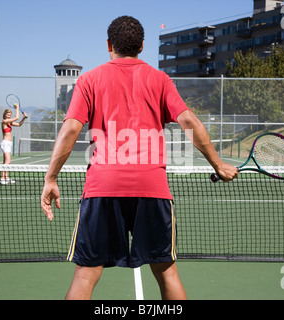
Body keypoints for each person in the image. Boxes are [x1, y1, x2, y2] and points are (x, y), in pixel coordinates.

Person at [40, 16, 238, 300]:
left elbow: (71, 127)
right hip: (152, 188)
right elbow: (190, 123)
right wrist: (218, 164)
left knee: (86, 273)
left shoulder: (89, 80)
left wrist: (51, 178)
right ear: (142, 46)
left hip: (102, 188)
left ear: (109, 45)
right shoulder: (160, 79)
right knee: (167, 272)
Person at [0, 105, 27, 184]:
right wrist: (17, 108)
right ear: (5, 114)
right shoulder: (4, 121)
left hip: (9, 144)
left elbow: (19, 124)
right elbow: (16, 118)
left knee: (6, 162)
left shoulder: (9, 123)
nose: (9, 116)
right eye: (8, 114)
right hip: (5, 143)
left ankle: (6, 178)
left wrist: (24, 118)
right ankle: (2, 178)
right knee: (7, 161)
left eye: (10, 115)